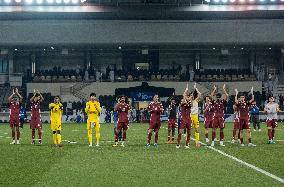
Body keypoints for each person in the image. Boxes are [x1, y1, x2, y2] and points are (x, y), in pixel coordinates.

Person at [190, 83, 201, 147]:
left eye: (193, 95)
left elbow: (200, 94)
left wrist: (196, 88)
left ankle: (197, 141)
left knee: (197, 129)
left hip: (196, 116)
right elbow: (191, 105)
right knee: (189, 129)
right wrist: (191, 98)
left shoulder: (196, 100)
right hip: (190, 116)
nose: (192, 96)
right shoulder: (190, 101)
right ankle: (187, 140)